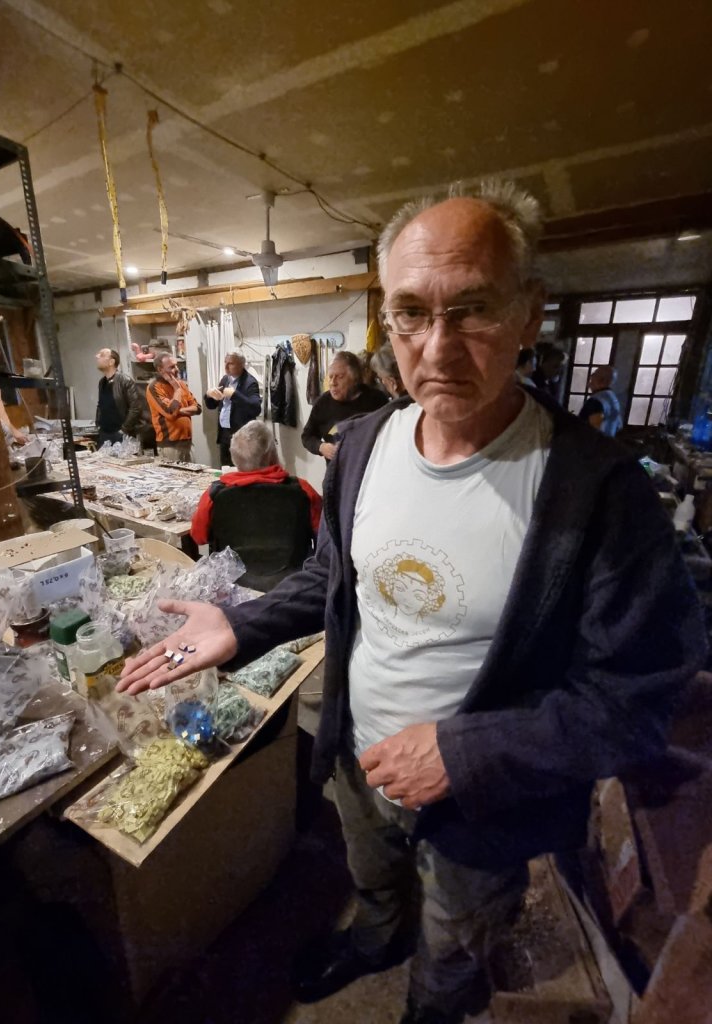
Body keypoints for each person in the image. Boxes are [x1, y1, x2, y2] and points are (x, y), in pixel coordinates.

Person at [118, 179, 705, 1024]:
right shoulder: (362, 445)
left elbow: (637, 703)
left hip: (481, 801)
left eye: (473, 310)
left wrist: (465, 753)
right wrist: (241, 626)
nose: (437, 348)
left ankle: (430, 1007)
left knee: (457, 933)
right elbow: (336, 575)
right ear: (386, 322)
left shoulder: (597, 490)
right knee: (373, 879)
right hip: (358, 758)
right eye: (410, 314)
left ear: (529, 313)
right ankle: (374, 940)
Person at [190, 421, 322, 545]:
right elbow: (322, 533)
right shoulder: (303, 490)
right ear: (271, 454)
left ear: (234, 457)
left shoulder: (214, 494)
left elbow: (199, 537)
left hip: (233, 562)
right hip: (295, 562)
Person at [301, 351, 387, 460]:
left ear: (354, 378)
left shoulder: (377, 399)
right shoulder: (322, 403)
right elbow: (307, 436)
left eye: (340, 377)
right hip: (338, 469)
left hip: (372, 465)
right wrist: (321, 447)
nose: (333, 383)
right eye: (330, 377)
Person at [204, 350, 261, 466]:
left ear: (241, 364)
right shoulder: (225, 379)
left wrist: (235, 395)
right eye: (225, 362)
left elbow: (256, 408)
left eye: (230, 363)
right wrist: (208, 395)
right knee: (225, 470)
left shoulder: (250, 382)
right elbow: (212, 405)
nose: (226, 367)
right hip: (225, 435)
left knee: (241, 471)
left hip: (242, 438)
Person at [146, 352, 200, 463]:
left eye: (176, 365)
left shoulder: (181, 384)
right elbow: (171, 413)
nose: (177, 369)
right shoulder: (154, 387)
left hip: (188, 443)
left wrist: (179, 411)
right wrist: (177, 390)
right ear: (160, 369)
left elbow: (197, 408)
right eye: (172, 367)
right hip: (170, 446)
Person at [95, 347, 148, 449]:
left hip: (120, 434)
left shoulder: (125, 381)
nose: (97, 357)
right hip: (104, 433)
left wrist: (124, 429)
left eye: (101, 355)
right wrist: (98, 424)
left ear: (111, 362)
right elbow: (100, 405)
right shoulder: (102, 382)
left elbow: (135, 408)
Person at [579, 365, 623, 436]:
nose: (591, 376)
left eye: (595, 374)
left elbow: (594, 431)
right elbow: (619, 426)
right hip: (608, 441)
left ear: (602, 380)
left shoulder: (596, 401)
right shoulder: (613, 399)